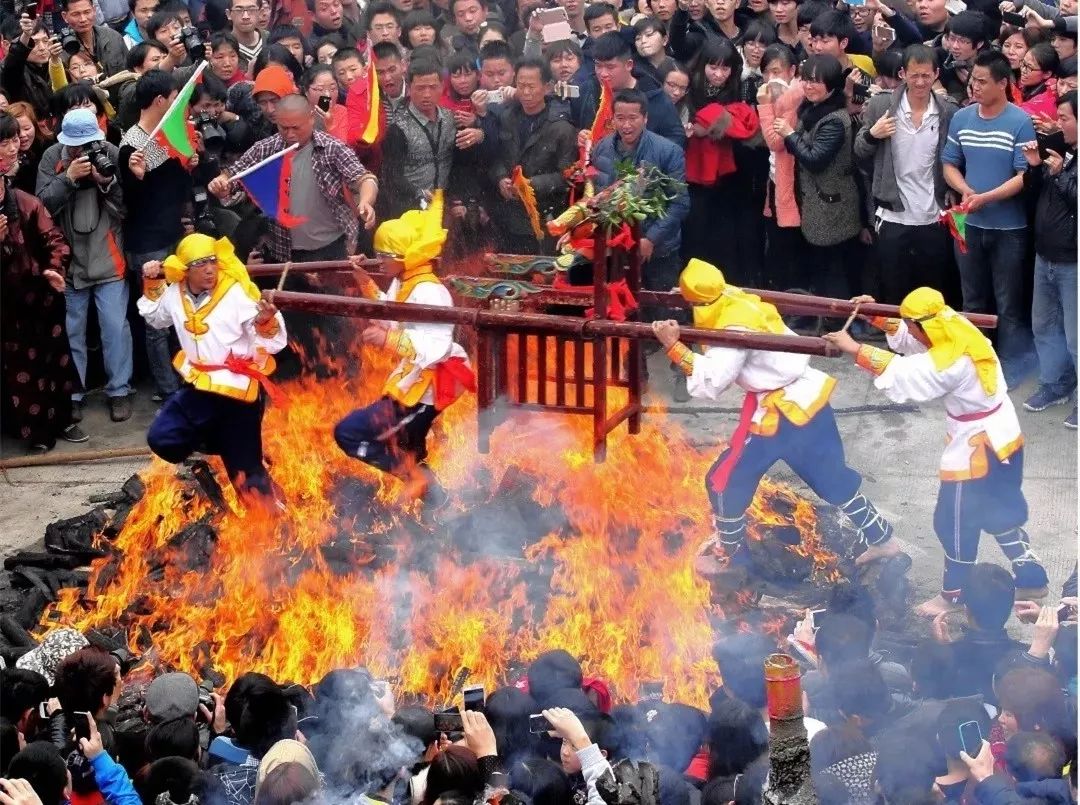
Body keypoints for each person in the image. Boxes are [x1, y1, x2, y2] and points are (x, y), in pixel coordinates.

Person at [651, 259, 895, 580]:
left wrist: (673, 346)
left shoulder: (734, 325)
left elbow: (712, 380)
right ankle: (883, 539)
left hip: (779, 416)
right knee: (831, 477)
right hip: (810, 402)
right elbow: (712, 296)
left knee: (723, 480)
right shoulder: (735, 296)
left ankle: (730, 560)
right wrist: (682, 296)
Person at [824, 288, 1050, 615]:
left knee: (953, 521)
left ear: (923, 324)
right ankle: (1031, 576)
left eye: (910, 324)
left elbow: (910, 373)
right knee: (999, 508)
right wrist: (878, 317)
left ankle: (953, 596)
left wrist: (856, 349)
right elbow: (922, 344)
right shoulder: (953, 324)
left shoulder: (951, 362)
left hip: (978, 450)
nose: (911, 330)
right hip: (1003, 437)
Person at [334, 191, 475, 506]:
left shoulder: (429, 290)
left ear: (400, 257)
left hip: (426, 389)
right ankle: (441, 509)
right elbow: (391, 310)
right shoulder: (407, 280)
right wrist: (363, 281)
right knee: (410, 451)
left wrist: (389, 340)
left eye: (383, 256)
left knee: (349, 433)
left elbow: (435, 346)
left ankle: (417, 480)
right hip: (412, 382)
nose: (379, 261)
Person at [137, 234, 287, 500]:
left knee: (248, 481)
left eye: (212, 261)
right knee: (163, 438)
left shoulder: (237, 292)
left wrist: (264, 322)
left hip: (237, 394)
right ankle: (222, 441)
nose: (209, 269)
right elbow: (156, 319)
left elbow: (273, 343)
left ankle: (277, 524)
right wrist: (152, 279)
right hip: (198, 389)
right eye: (200, 264)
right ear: (184, 270)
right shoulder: (175, 292)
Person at [941, 50, 1038, 387]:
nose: (975, 87)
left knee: (1008, 302)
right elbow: (949, 163)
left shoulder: (1020, 121)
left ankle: (1010, 367)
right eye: (973, 80)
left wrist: (986, 197)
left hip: (1009, 228)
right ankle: (975, 364)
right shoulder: (962, 118)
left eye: (983, 81)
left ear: (1003, 83)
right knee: (972, 298)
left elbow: (1024, 175)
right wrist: (967, 190)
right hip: (969, 224)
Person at [36, 108, 134, 424]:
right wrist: (68, 179)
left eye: (88, 143)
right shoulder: (52, 157)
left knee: (115, 329)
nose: (83, 150)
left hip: (108, 258)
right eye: (76, 145)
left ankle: (119, 391)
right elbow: (40, 209)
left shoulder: (111, 153)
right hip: (70, 263)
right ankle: (73, 395)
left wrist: (107, 182)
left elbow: (129, 206)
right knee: (71, 331)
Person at [592, 89, 691, 399]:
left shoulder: (667, 151)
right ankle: (637, 374)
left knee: (669, 308)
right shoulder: (601, 150)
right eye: (620, 118)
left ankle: (684, 372)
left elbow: (679, 204)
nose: (627, 125)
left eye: (633, 117)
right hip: (618, 249)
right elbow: (596, 199)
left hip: (659, 248)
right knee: (627, 312)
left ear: (645, 118)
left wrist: (651, 238)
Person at [0, 112, 84, 455]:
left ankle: (50, 427)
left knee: (50, 366)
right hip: (5, 307)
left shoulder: (26, 202)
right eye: (0, 142)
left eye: (9, 141)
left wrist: (53, 268)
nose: (7, 149)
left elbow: (56, 242)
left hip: (38, 302)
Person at [209, 94, 378, 262]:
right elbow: (233, 176)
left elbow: (364, 179)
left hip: (333, 245)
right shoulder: (266, 149)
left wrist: (365, 201)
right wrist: (221, 183)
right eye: (284, 127)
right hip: (286, 251)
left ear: (311, 119)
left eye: (296, 128)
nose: (290, 134)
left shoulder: (331, 148)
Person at [856, 44, 958, 305]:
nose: (920, 82)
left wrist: (951, 192)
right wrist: (872, 134)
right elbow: (859, 151)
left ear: (936, 74)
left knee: (932, 289)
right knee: (893, 286)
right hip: (892, 212)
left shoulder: (947, 111)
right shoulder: (882, 105)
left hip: (932, 212)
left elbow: (956, 158)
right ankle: (895, 342)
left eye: (926, 75)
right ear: (902, 74)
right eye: (914, 75)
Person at [772, 54, 862, 302]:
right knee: (820, 266)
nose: (809, 87)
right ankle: (823, 315)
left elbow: (814, 160)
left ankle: (838, 319)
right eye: (806, 80)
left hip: (833, 204)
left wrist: (790, 134)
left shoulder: (834, 119)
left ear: (832, 85)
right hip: (816, 202)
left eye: (816, 82)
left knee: (834, 268)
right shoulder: (812, 109)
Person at [1020, 90, 1077, 425]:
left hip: (1073, 262)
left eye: (1066, 118)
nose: (1059, 124)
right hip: (1045, 255)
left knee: (1075, 335)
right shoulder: (1061, 152)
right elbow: (1036, 194)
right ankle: (1055, 383)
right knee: (1043, 326)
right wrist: (1034, 169)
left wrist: (1058, 177)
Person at [486, 57, 577, 255]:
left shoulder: (561, 127)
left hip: (545, 215)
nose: (525, 92)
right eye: (521, 86)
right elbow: (497, 156)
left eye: (531, 86)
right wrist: (501, 178)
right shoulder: (507, 117)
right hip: (510, 215)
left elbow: (568, 176)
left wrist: (529, 185)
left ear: (546, 87)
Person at [378, 58, 456, 219]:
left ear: (442, 87)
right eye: (420, 88)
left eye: (433, 87)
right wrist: (417, 192)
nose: (427, 94)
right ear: (410, 88)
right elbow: (392, 175)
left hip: (446, 202)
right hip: (411, 207)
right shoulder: (398, 128)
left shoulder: (450, 119)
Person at [59, 0, 129, 78]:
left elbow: (130, 73)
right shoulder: (60, 50)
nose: (83, 19)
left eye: (87, 12)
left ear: (94, 10)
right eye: (76, 14)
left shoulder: (113, 37)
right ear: (64, 16)